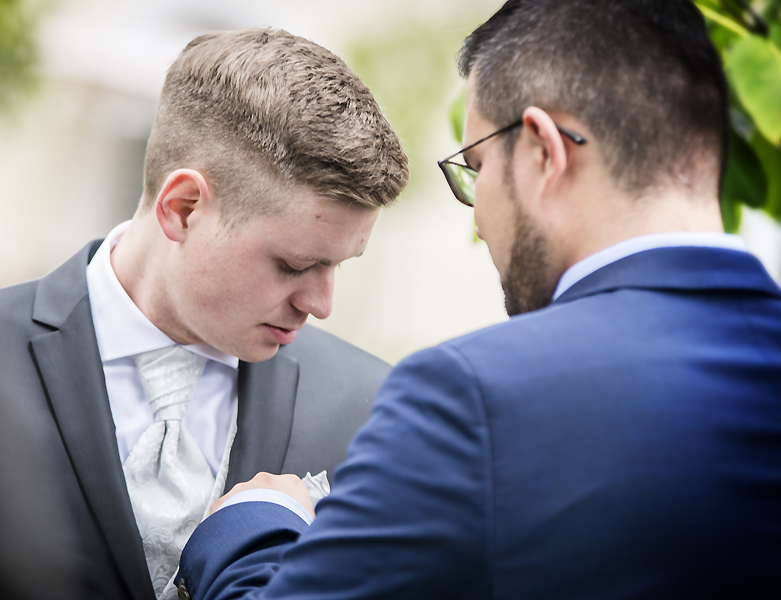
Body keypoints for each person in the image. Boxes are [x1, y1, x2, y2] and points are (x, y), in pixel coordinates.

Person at [174, 2, 781, 599]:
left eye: (477, 166)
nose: (481, 220)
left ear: (545, 151)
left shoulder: (478, 398)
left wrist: (254, 520)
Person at [0, 28, 408, 600]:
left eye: (339, 265)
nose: (321, 304)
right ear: (182, 208)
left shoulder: (371, 406)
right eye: (293, 264)